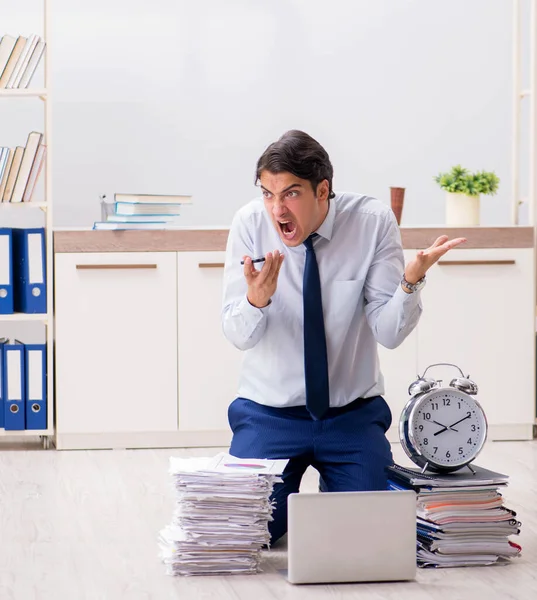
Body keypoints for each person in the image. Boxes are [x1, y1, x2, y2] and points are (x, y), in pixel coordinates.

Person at [221, 130, 466, 545]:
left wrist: (410, 282)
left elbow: (388, 333)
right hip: (269, 413)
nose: (276, 209)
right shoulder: (249, 224)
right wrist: (255, 300)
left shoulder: (371, 223)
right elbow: (237, 335)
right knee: (249, 532)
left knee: (369, 531)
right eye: (267, 194)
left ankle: (334, 499)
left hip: (350, 414)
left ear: (323, 190)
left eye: (290, 194)